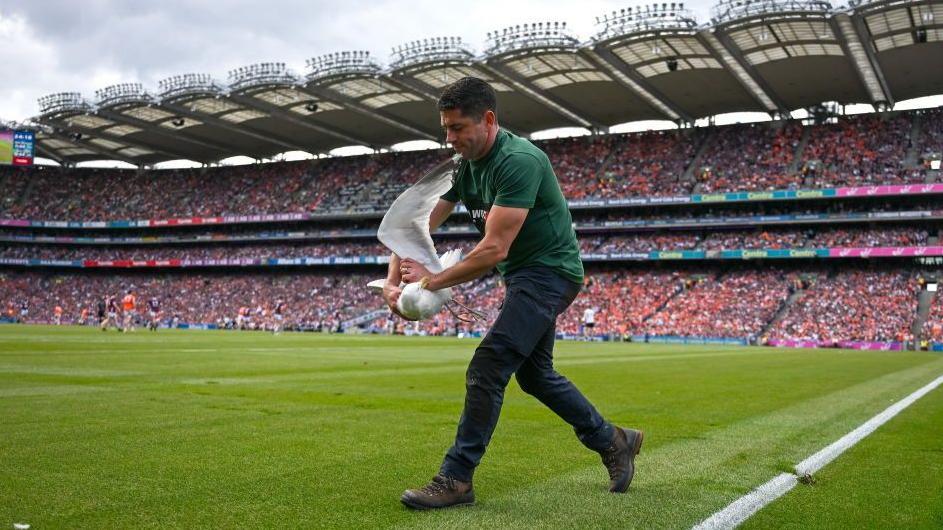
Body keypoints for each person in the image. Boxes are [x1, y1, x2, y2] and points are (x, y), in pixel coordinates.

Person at [387, 77, 643, 510]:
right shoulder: (463, 166)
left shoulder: (519, 160)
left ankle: (457, 478)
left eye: (458, 128)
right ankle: (614, 440)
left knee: (489, 364)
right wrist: (396, 282)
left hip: (550, 274)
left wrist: (427, 284)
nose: (450, 138)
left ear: (488, 120)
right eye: (445, 128)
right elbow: (418, 226)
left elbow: (493, 249)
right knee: (535, 374)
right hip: (522, 277)